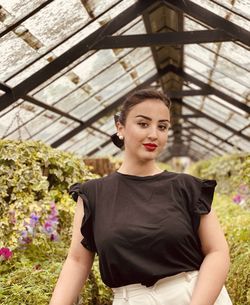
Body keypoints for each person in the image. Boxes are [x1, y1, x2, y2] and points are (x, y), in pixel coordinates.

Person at [49, 89, 232, 305]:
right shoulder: (93, 195)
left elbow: (217, 252)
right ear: (120, 128)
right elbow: (77, 261)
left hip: (194, 295)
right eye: (143, 124)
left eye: (162, 126)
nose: (154, 134)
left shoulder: (187, 187)